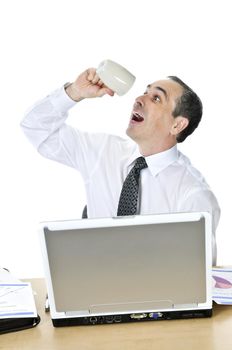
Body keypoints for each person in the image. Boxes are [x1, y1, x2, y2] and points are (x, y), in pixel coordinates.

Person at [21, 67, 220, 264]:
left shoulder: (194, 195)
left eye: (156, 98)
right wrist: (75, 91)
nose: (139, 99)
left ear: (177, 125)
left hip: (152, 292)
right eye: (145, 92)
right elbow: (35, 127)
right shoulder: (103, 152)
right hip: (91, 283)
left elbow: (196, 279)